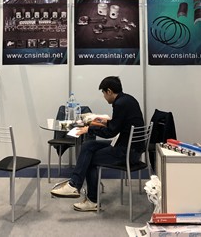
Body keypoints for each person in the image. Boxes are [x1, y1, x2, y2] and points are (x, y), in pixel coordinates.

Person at [50, 76, 145, 212]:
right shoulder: (128, 99)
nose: (104, 97)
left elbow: (111, 132)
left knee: (89, 159)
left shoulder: (119, 104)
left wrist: (89, 129)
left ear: (109, 91)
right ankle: (74, 185)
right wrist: (100, 121)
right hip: (130, 148)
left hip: (127, 152)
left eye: (104, 93)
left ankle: (91, 200)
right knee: (88, 146)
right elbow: (117, 124)